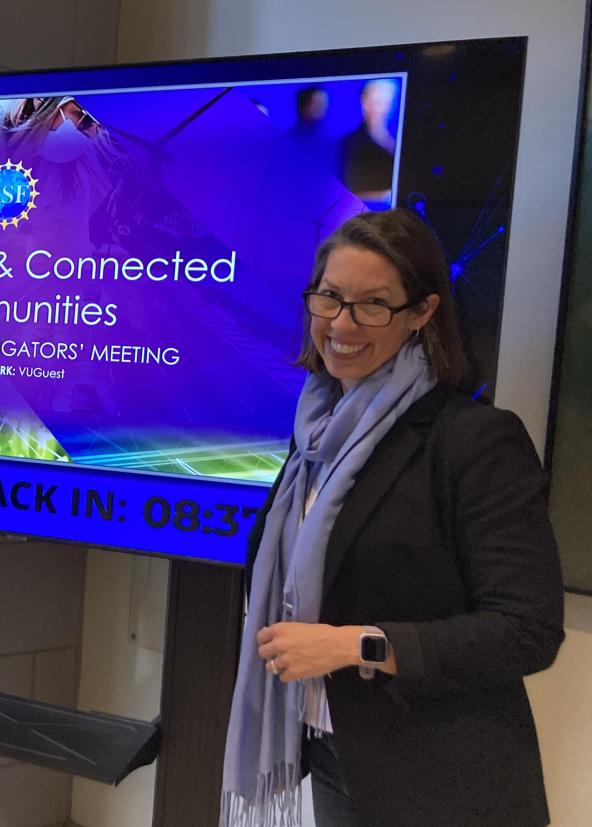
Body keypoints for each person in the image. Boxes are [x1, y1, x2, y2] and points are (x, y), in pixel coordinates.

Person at [220, 209, 564, 827]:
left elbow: (527, 630)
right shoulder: (316, 434)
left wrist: (354, 645)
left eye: (373, 305)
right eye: (330, 297)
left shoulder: (475, 441)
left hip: (443, 779)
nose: (341, 324)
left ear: (422, 313)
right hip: (334, 752)